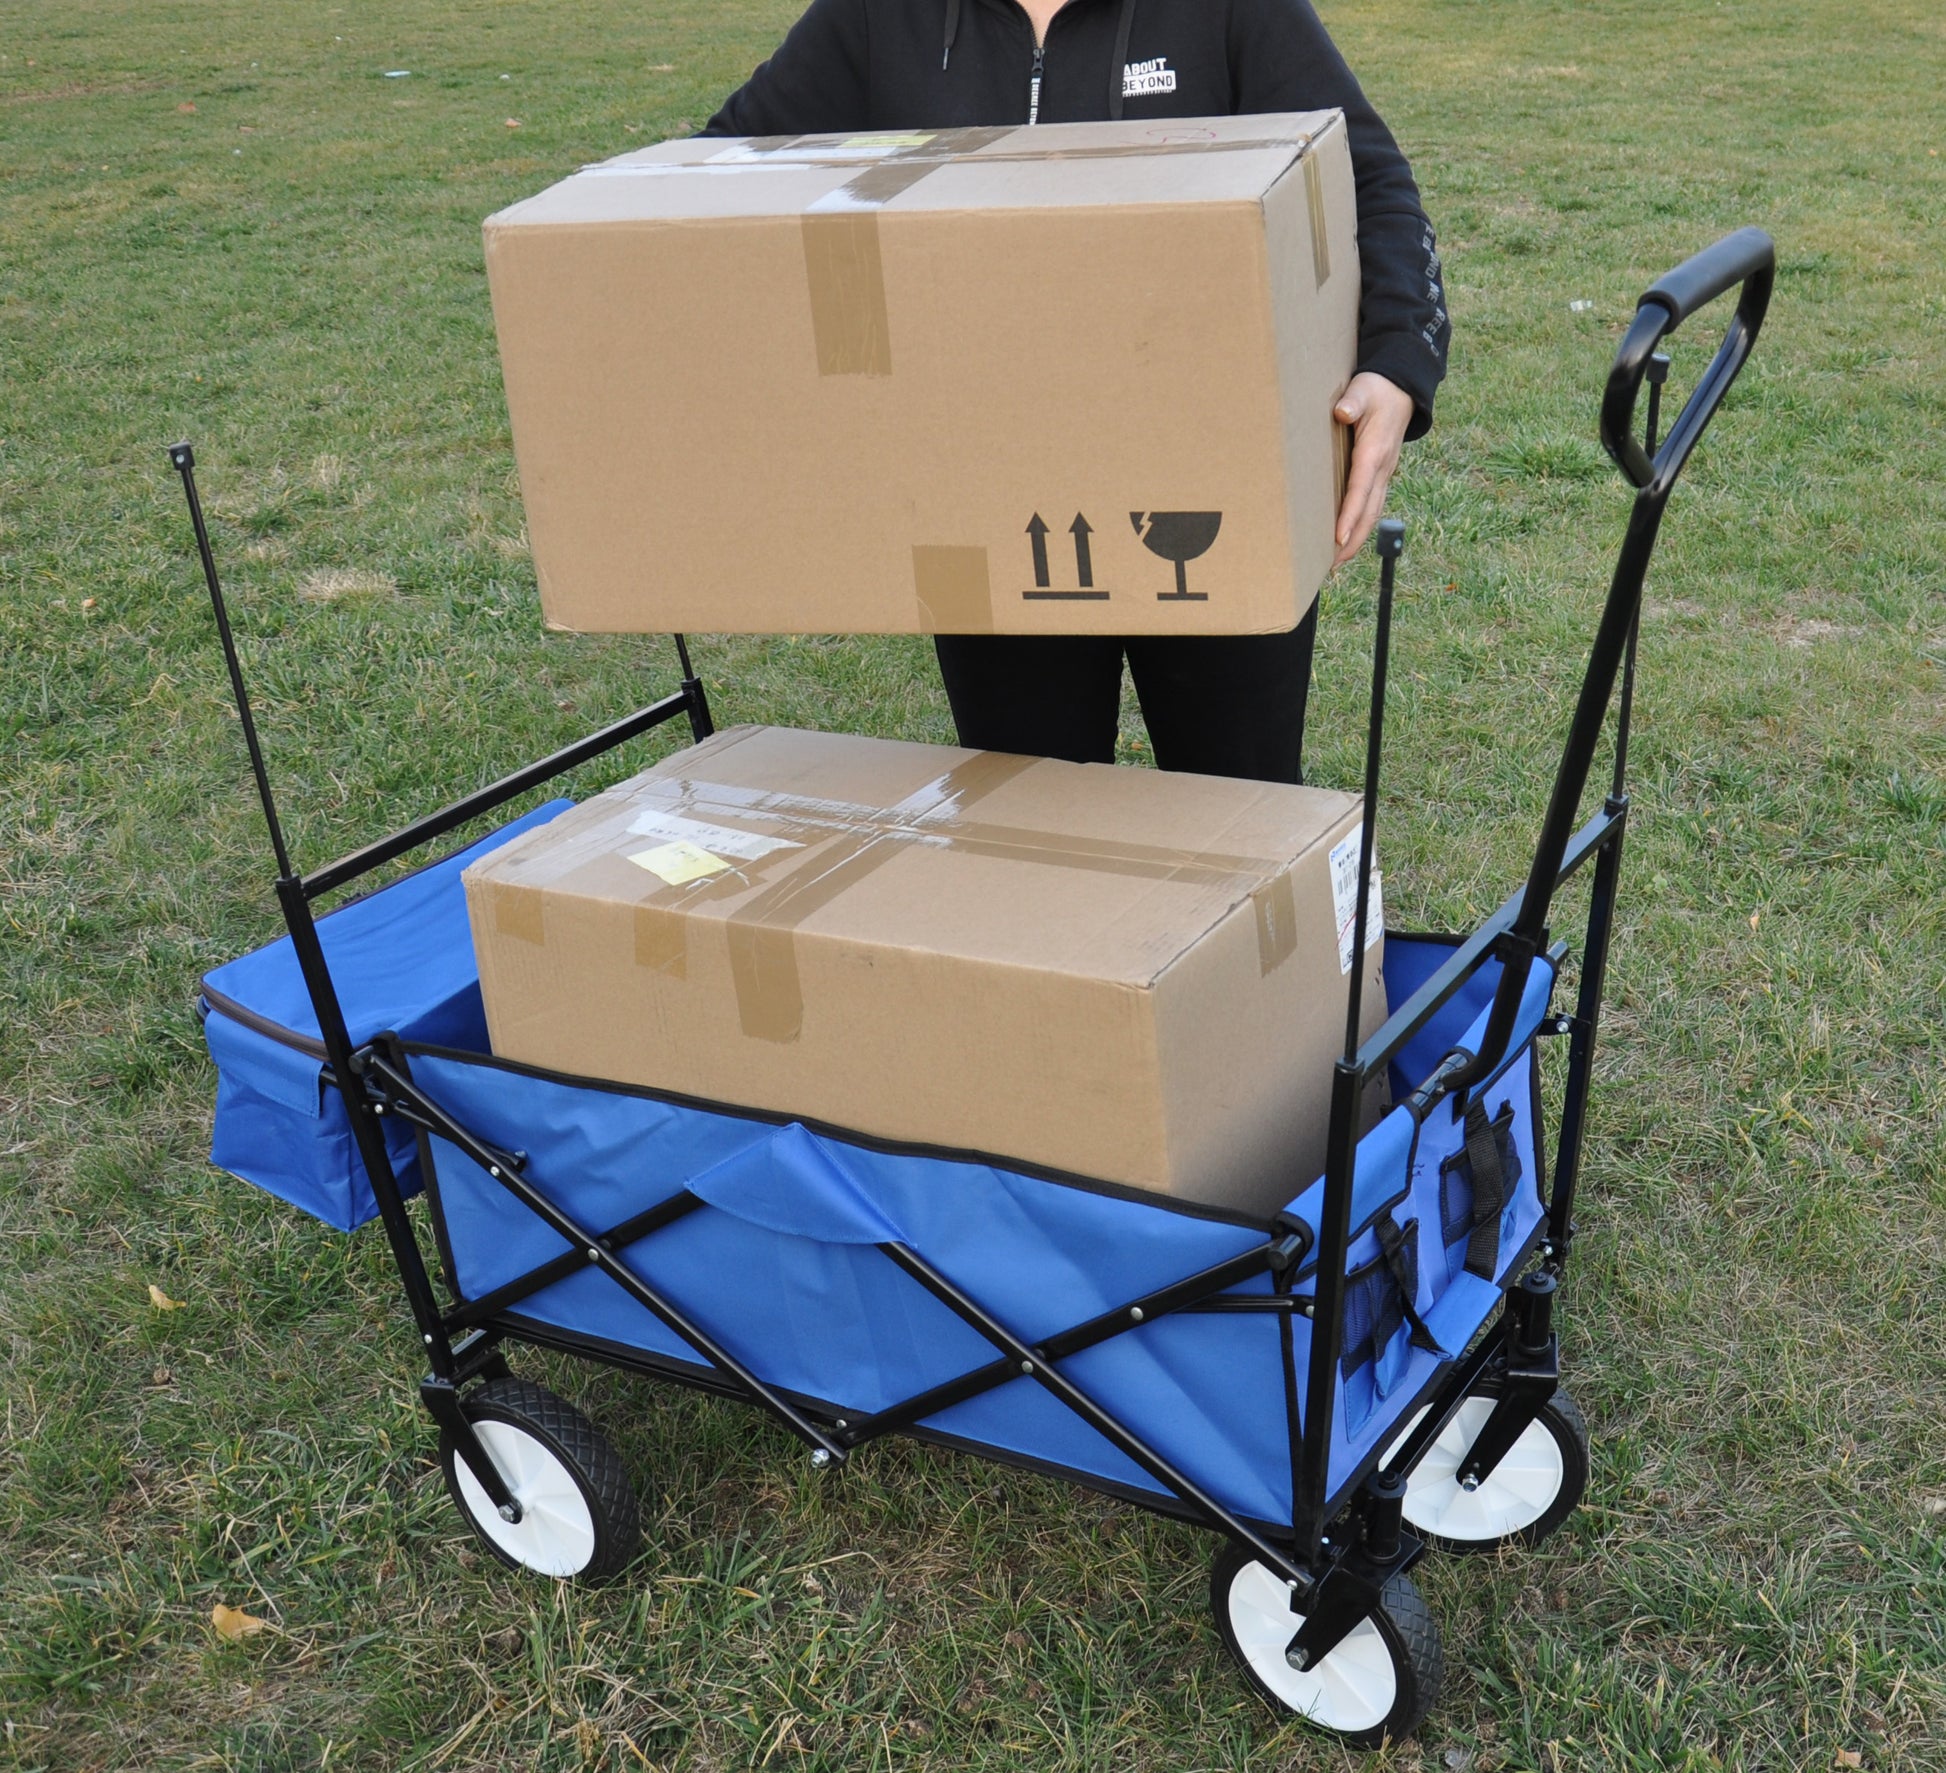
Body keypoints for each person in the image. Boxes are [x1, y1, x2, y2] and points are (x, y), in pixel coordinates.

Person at [705, 0, 1448, 784]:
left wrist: (1397, 364)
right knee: (1033, 824)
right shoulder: (881, 15)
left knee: (1237, 807)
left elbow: (1372, 181)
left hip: (1217, 475)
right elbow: (710, 179)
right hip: (985, 492)